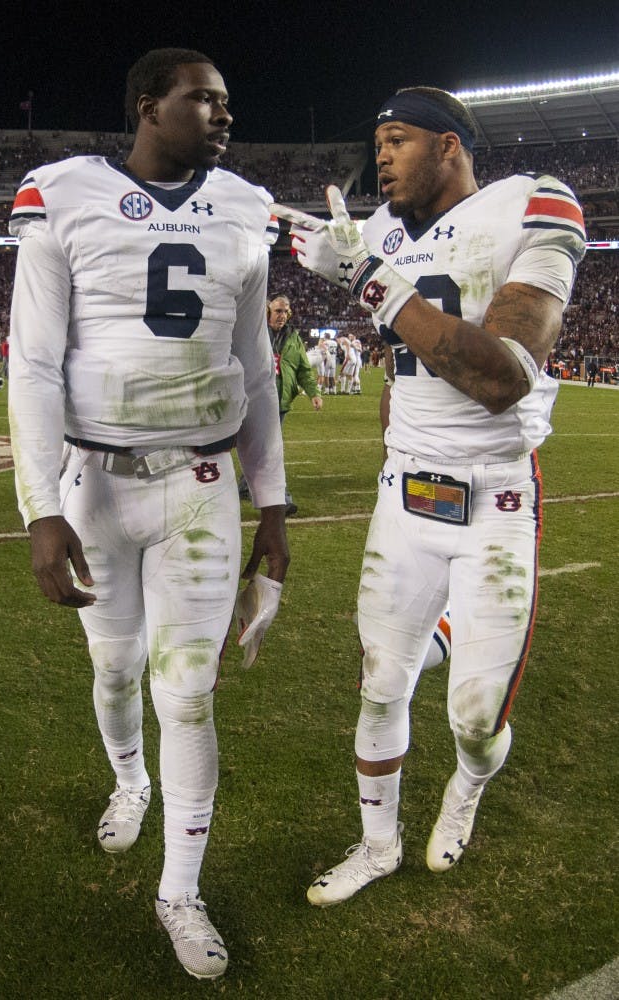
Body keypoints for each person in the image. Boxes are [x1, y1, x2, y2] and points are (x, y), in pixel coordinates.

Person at [8, 47, 290, 980]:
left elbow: (254, 371)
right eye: (203, 100)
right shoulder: (64, 195)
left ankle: (181, 889)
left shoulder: (246, 207)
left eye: (226, 102)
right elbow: (38, 363)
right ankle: (129, 781)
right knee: (115, 664)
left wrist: (275, 508)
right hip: (95, 480)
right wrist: (39, 506)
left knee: (189, 690)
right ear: (146, 106)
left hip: (202, 489)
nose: (222, 116)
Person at [272, 85, 585, 905]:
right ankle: (377, 845)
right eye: (377, 140)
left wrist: (371, 282)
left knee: (475, 722)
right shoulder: (375, 233)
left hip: (496, 503)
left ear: (450, 145)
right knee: (380, 682)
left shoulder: (534, 203)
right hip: (405, 497)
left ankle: (469, 789)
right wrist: (392, 447)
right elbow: (399, 366)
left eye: (400, 139)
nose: (381, 154)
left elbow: (500, 378)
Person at [238, 294, 322, 516]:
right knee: (267, 447)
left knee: (266, 447)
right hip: (254, 397)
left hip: (280, 400)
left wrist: (314, 392)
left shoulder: (293, 338)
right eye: (278, 311)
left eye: (285, 312)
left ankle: (247, 487)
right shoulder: (255, 332)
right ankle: (280, 498)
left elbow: (303, 368)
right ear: (267, 312)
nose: (282, 316)